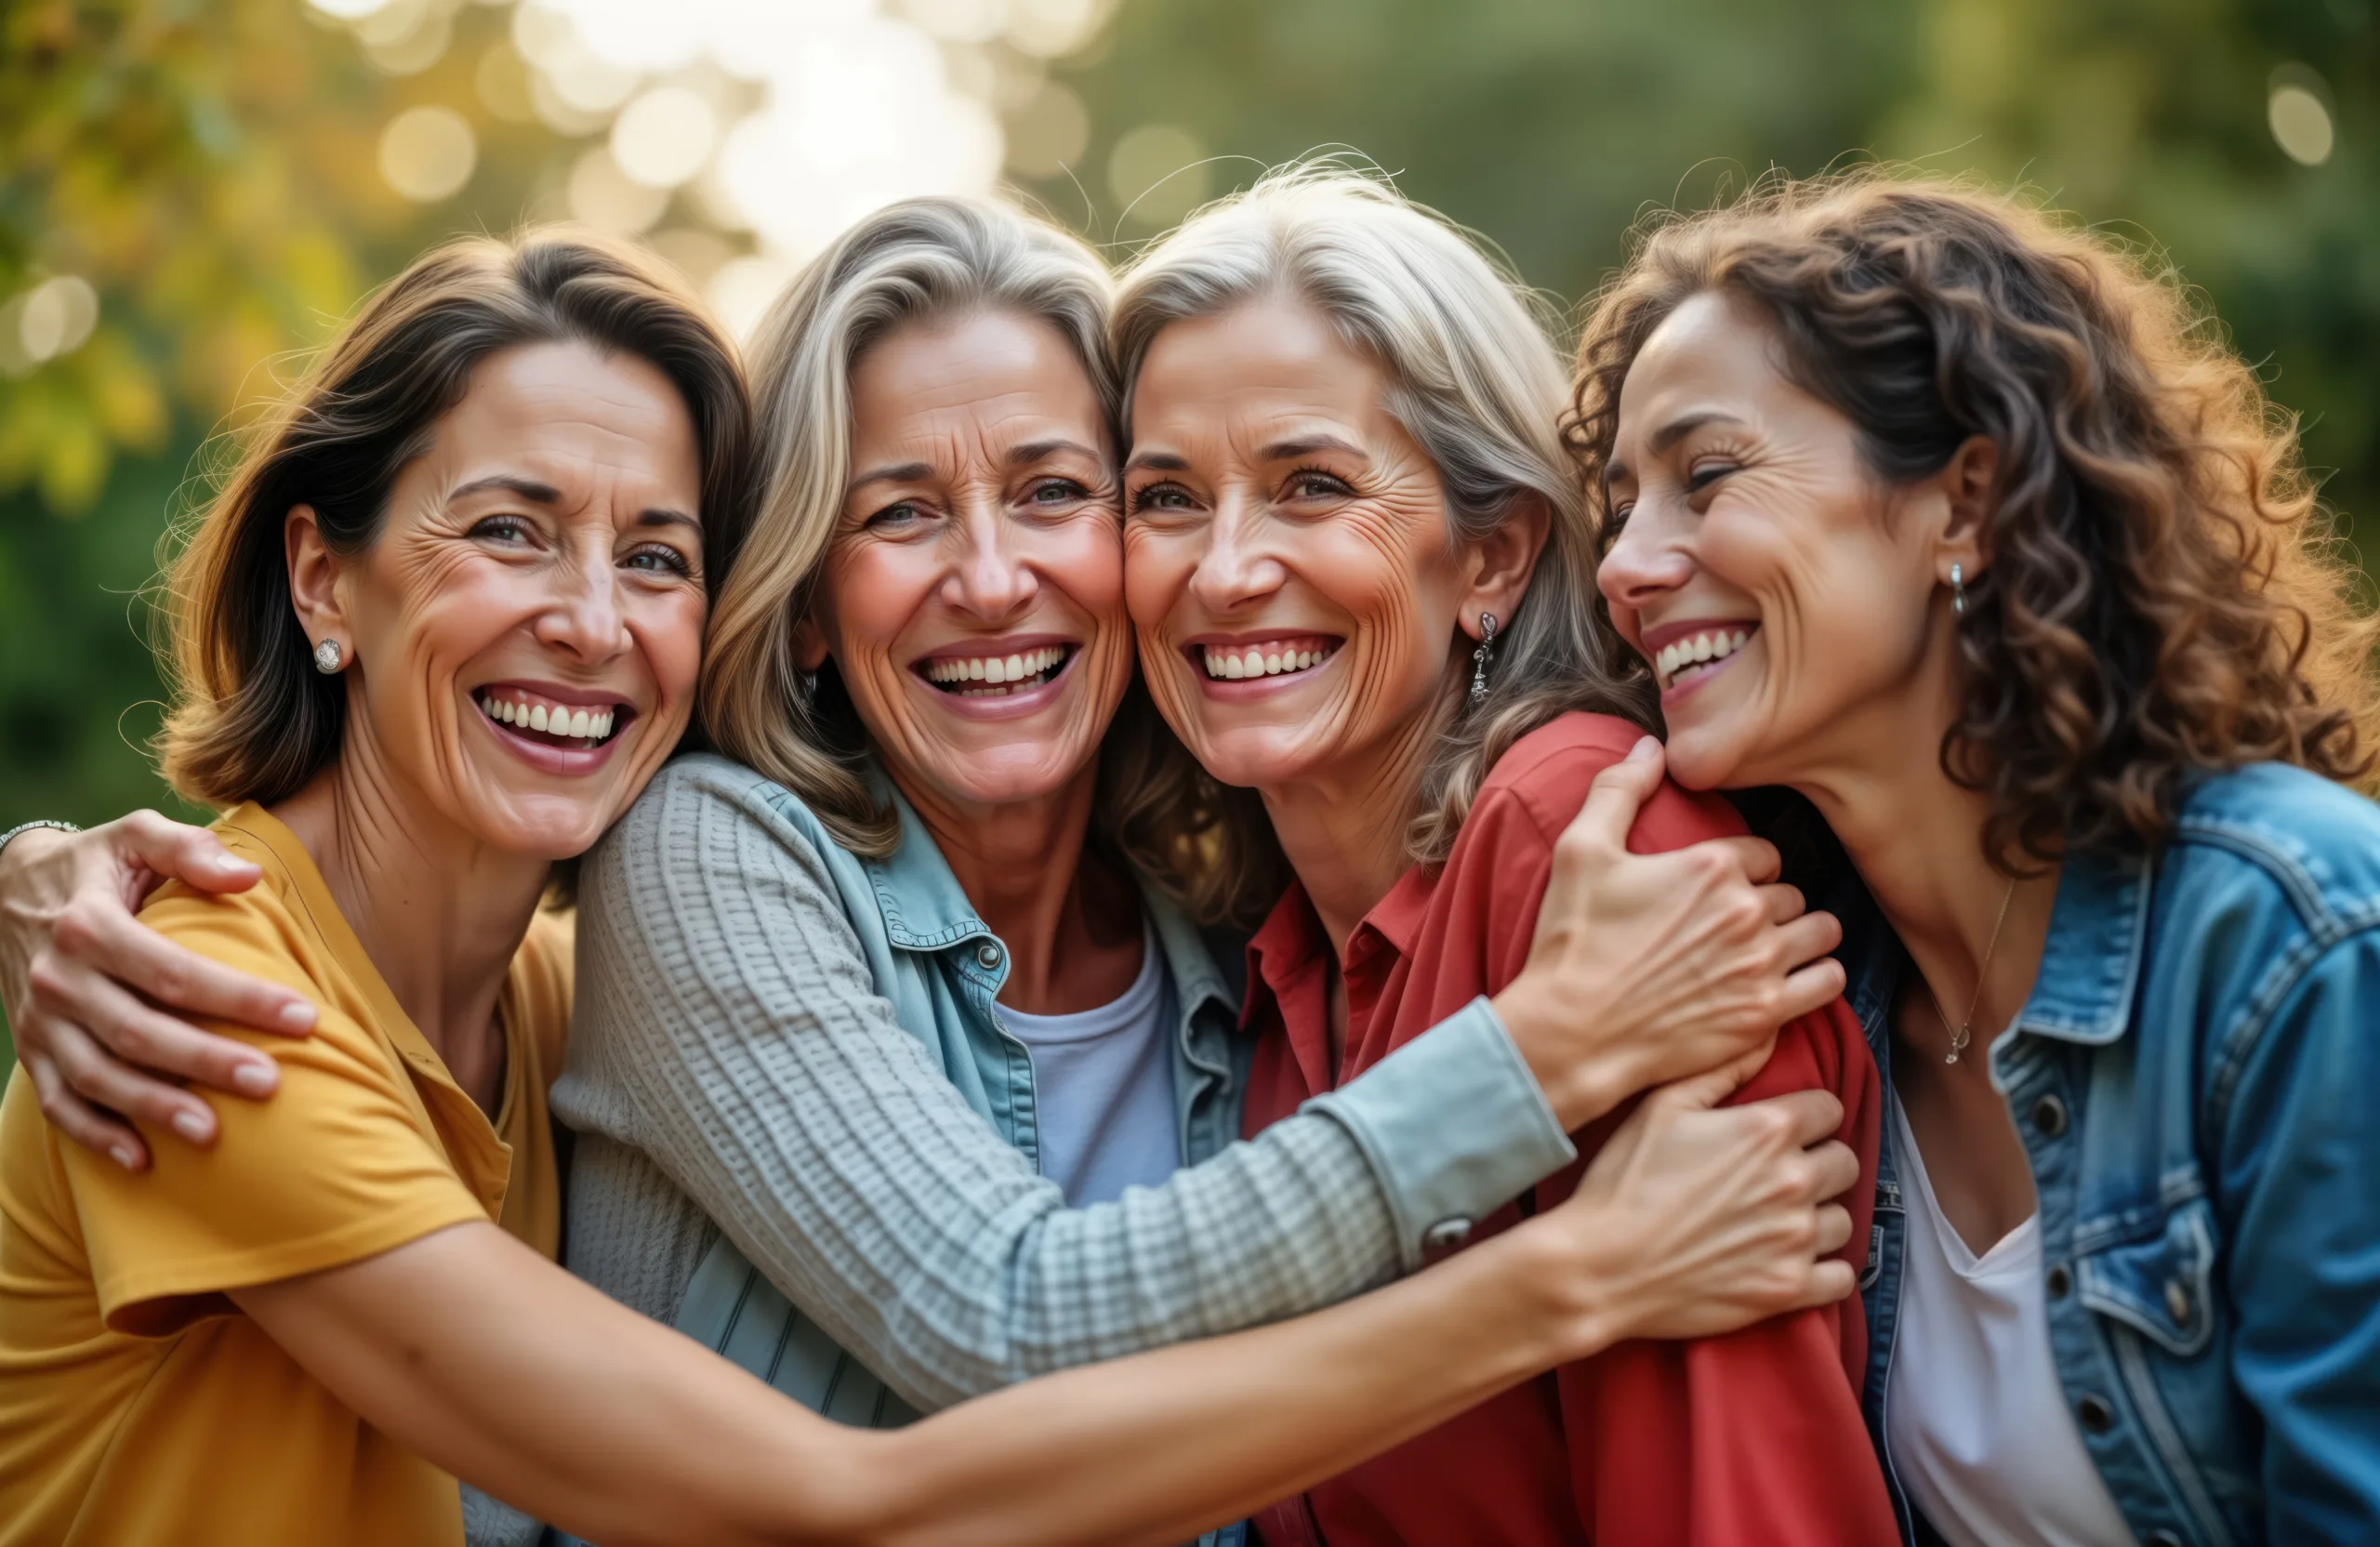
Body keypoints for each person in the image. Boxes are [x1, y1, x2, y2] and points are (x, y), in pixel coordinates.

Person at [0, 224, 1863, 1544]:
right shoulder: (223, 1004)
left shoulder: (1234, 928)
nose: (992, 579)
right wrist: (1564, 1228)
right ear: (803, 598)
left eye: (1058, 490)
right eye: (900, 512)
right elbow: (956, 1389)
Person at [1576, 171, 2380, 1545]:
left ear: (1966, 503)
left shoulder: (2296, 940)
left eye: (1705, 477)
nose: (1625, 564)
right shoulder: (1815, 1008)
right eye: (1620, 505)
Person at [1107, 165, 1898, 1544]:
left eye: (1311, 485)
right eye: (1166, 498)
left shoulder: (1596, 857)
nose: (1222, 571)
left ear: (1491, 559)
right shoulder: (1271, 955)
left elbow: (1740, 1505)